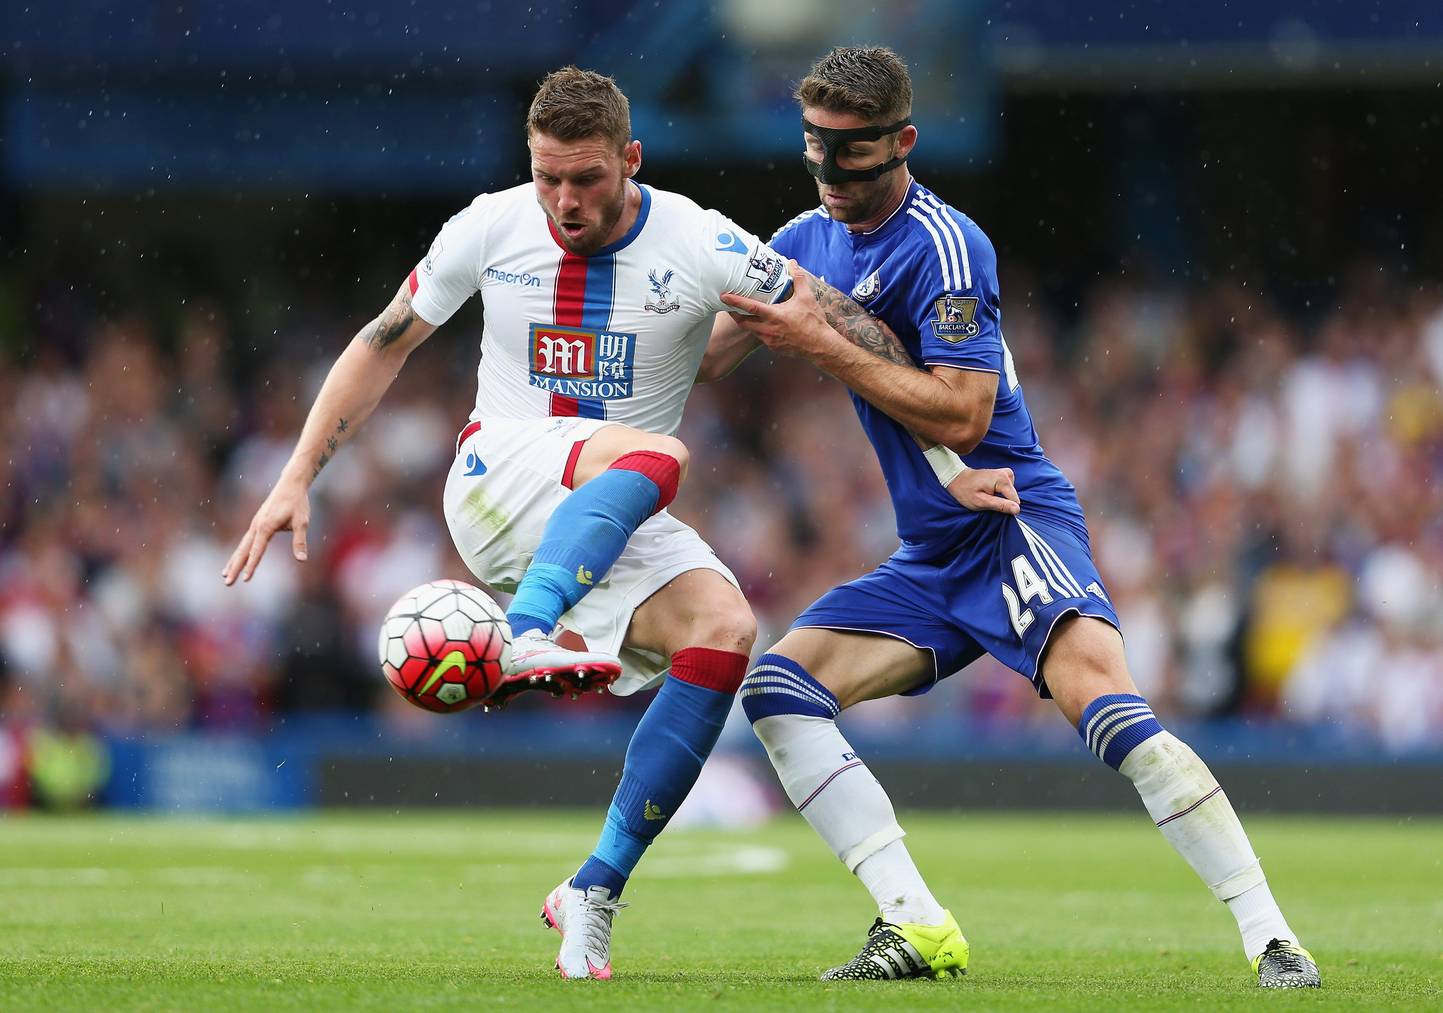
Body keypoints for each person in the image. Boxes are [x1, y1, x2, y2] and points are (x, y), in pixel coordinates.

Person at [221, 65, 1018, 980]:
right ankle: (524, 636)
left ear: (630, 159)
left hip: (614, 506)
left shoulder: (702, 241)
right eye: (546, 176)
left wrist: (947, 461)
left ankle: (593, 889)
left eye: (586, 178)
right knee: (661, 455)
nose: (563, 199)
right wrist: (295, 475)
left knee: (724, 633)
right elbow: (382, 342)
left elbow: (841, 328)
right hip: (500, 479)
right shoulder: (488, 225)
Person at [706, 46, 1320, 989]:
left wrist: (820, 338)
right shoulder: (800, 238)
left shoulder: (947, 245)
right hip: (929, 551)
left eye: (851, 149)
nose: (828, 169)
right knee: (780, 691)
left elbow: (963, 414)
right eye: (813, 146)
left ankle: (1271, 936)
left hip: (1010, 521)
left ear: (902, 141)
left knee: (1108, 713)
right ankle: (911, 922)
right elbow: (706, 359)